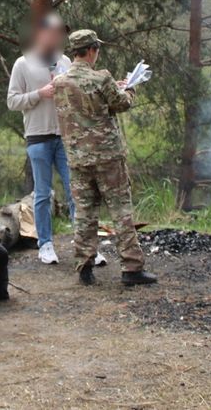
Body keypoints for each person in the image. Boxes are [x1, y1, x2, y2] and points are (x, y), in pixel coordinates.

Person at [52, 30, 157, 286]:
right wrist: (129, 88)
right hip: (108, 157)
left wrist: (113, 89)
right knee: (120, 211)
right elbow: (121, 104)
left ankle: (84, 268)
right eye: (96, 49)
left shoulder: (60, 82)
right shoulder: (102, 78)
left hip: (77, 159)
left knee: (85, 214)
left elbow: (84, 104)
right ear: (90, 50)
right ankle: (131, 269)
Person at [7, 13, 80, 265]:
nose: (59, 37)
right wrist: (40, 93)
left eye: (62, 32)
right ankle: (45, 244)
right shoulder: (22, 64)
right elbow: (12, 101)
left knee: (76, 190)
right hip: (38, 137)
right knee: (42, 193)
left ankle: (84, 242)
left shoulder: (66, 62)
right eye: (54, 31)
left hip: (64, 136)